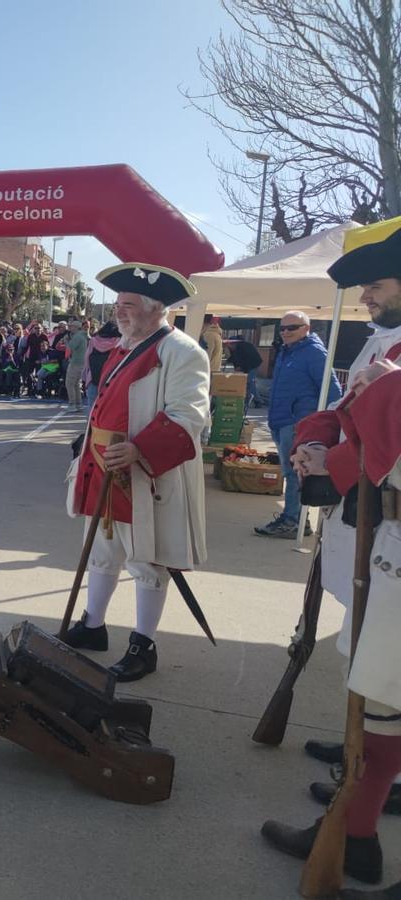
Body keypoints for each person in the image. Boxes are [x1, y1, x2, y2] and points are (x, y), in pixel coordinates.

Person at [261, 226, 401, 894]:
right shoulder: (386, 345)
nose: (368, 296)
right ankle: (362, 829)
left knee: (380, 704)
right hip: (381, 535)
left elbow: (385, 433)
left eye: (379, 283)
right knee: (381, 701)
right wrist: (319, 444)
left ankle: (357, 838)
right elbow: (349, 408)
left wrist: (337, 455)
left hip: (394, 539)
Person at [62, 264, 210, 682]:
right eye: (118, 304)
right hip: (103, 467)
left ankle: (143, 646)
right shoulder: (123, 348)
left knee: (146, 560)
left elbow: (190, 416)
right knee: (102, 552)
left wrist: (141, 449)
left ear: (155, 308)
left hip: (144, 473)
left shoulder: (183, 352)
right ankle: (93, 626)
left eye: (128, 305)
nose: (119, 312)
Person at [254, 311, 342, 538]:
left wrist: (322, 424)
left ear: (306, 328)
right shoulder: (288, 352)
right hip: (282, 420)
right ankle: (297, 519)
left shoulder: (313, 353)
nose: (285, 332)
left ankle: (293, 520)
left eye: (291, 328)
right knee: (290, 472)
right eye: (282, 328)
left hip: (297, 423)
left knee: (295, 473)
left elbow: (332, 390)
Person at [84, 320, 121, 410]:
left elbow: (86, 361)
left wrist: (85, 377)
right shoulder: (118, 342)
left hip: (93, 379)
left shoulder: (93, 341)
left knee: (92, 409)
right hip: (111, 381)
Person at [227, 335, 264, 411]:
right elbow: (234, 358)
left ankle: (257, 401)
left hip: (253, 364)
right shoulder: (234, 348)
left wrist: (240, 367)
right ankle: (247, 399)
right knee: (246, 382)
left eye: (230, 344)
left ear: (235, 343)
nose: (229, 346)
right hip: (248, 365)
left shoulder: (243, 347)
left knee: (250, 382)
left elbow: (245, 360)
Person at [64, 319, 89, 411]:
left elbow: (70, 347)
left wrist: (66, 341)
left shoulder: (77, 337)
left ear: (76, 327)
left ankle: (72, 404)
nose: (70, 328)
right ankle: (78, 404)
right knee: (75, 385)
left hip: (75, 363)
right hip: (81, 363)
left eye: (71, 327)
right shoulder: (82, 336)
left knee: (69, 384)